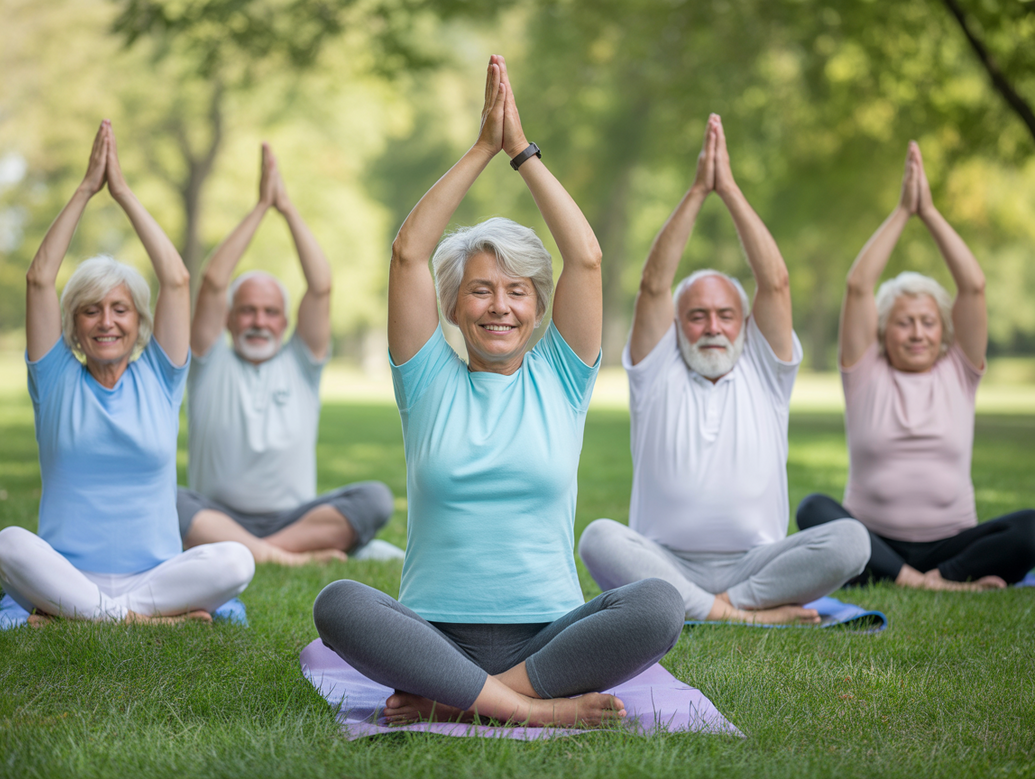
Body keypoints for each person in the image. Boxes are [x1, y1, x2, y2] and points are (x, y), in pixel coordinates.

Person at [312, 56, 684, 728]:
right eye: (480, 289)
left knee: (656, 603)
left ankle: (468, 700)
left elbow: (588, 259)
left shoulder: (561, 378)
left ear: (539, 308)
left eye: (517, 291)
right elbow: (407, 253)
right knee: (337, 601)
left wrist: (521, 152)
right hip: (432, 639)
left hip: (549, 638)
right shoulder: (425, 380)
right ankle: (528, 710)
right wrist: (481, 147)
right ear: (453, 305)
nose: (499, 306)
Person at [579, 114, 870, 625]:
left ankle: (712, 608)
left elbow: (775, 283)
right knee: (598, 538)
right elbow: (652, 285)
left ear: (744, 324)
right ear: (677, 325)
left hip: (759, 566)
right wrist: (696, 192)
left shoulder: (765, 367)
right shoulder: (657, 368)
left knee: (852, 540)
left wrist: (729, 190)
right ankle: (744, 615)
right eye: (696, 315)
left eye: (725, 315)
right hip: (664, 560)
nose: (712, 326)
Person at [0, 120, 254, 626]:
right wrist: (86, 190)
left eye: (120, 309)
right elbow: (39, 278)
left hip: (155, 578)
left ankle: (92, 616)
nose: (106, 321)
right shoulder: (54, 380)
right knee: (8, 543)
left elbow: (177, 280)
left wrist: (124, 193)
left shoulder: (160, 377)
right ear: (73, 324)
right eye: (91, 310)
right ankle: (143, 620)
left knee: (236, 558)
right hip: (65, 574)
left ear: (139, 323)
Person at [796, 142, 1035, 590]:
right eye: (904, 323)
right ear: (883, 331)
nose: (918, 333)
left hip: (953, 542)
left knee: (1031, 527)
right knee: (813, 509)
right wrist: (903, 212)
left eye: (928, 322)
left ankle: (937, 575)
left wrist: (929, 212)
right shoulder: (865, 373)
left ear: (942, 332)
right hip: (873, 541)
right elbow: (858, 287)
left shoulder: (959, 372)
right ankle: (928, 582)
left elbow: (974, 287)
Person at [176, 143, 397, 566]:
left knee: (375, 498)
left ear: (285, 321)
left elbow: (320, 286)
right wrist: (260, 208)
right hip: (216, 515)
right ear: (228, 319)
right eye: (247, 311)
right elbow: (212, 281)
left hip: (296, 517)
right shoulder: (208, 361)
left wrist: (287, 209)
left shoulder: (301, 361)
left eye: (270, 312)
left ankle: (256, 550)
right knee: (164, 499)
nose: (258, 321)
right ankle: (289, 557)